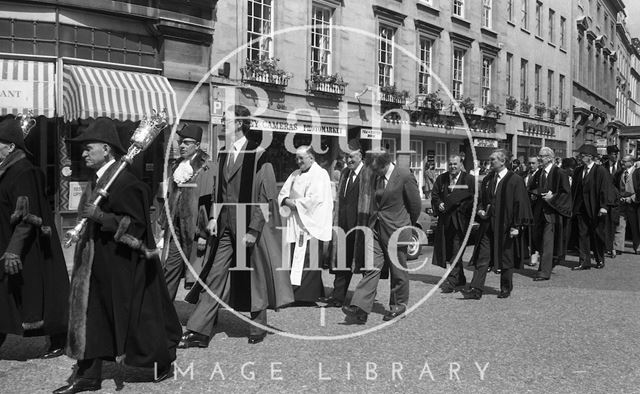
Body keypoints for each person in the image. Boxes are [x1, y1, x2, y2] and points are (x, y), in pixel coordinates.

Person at [57, 117, 181, 394]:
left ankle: (160, 362)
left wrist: (101, 216)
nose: (84, 153)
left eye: (89, 148)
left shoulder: (125, 182)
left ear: (107, 150)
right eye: (84, 149)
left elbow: (136, 225)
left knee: (138, 317)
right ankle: (88, 376)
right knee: (92, 316)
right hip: (94, 262)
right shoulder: (99, 179)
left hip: (121, 264)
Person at [183, 105, 293, 347]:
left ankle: (258, 326)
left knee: (254, 275)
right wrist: (213, 216)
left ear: (240, 123)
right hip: (224, 226)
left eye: (227, 119)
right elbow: (218, 191)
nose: (223, 122)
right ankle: (199, 331)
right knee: (215, 275)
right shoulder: (223, 153)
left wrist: (254, 230)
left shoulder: (259, 154)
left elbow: (266, 196)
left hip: (248, 225)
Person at [0, 118, 68, 358]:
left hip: (28, 247)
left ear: (10, 147)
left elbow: (27, 216)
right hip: (6, 239)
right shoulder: (5, 169)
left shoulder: (23, 171)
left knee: (40, 292)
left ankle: (59, 337)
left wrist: (14, 250)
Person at [342, 151, 421, 323]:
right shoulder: (376, 175)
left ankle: (398, 306)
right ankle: (360, 307)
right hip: (376, 227)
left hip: (397, 229)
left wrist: (406, 224)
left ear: (386, 164)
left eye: (377, 169)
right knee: (372, 266)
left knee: (398, 270)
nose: (374, 173)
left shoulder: (405, 175)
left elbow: (415, 205)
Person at [462, 149, 532, 300]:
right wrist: (480, 211)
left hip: (506, 225)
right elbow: (481, 200)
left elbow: (520, 203)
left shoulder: (515, 180)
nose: (490, 162)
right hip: (488, 225)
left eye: (493, 159)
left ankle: (505, 287)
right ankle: (476, 289)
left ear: (502, 161)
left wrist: (517, 226)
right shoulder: (488, 179)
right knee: (483, 256)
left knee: (506, 256)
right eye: (490, 159)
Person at [159, 124, 215, 300]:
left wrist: (203, 235)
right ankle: (164, 313)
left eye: (187, 142)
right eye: (180, 142)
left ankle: (204, 317)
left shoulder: (206, 167)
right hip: (176, 228)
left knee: (198, 274)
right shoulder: (176, 166)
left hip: (196, 231)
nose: (182, 145)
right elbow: (170, 197)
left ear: (197, 145)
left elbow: (208, 202)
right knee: (170, 268)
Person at [278, 145, 333, 304]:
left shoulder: (320, 174)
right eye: (296, 158)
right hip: (295, 223)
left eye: (301, 158)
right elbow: (283, 194)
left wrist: (292, 204)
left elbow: (314, 200)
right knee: (295, 258)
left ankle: (303, 296)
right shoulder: (295, 174)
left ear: (311, 157)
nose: (298, 161)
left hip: (311, 225)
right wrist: (287, 201)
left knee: (308, 260)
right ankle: (304, 291)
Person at [324, 144, 367, 307]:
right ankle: (338, 297)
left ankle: (364, 300)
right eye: (346, 157)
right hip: (343, 226)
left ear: (360, 156)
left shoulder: (368, 174)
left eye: (351, 157)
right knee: (341, 262)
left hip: (361, 227)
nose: (348, 160)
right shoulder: (344, 174)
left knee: (364, 265)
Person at [431, 155, 475, 293]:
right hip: (445, 222)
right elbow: (435, 195)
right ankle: (460, 278)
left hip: (461, 223)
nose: (452, 167)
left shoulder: (469, 180)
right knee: (449, 251)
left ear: (460, 164)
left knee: (457, 251)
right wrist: (439, 204)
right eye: (450, 164)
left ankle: (452, 280)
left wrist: (461, 206)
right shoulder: (441, 178)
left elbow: (474, 198)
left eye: (455, 164)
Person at [569, 144, 613, 270]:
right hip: (581, 209)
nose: (580, 157)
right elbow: (575, 190)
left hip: (595, 208)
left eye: (582, 155)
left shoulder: (600, 171)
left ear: (590, 157)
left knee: (597, 234)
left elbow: (605, 189)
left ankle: (599, 259)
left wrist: (604, 206)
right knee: (582, 235)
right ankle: (584, 261)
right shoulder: (578, 170)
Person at [531, 147, 572, 281]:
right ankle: (546, 265)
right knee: (539, 241)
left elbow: (566, 192)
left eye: (542, 156)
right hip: (539, 212)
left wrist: (553, 197)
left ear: (549, 158)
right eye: (539, 156)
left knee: (548, 242)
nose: (539, 159)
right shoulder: (539, 173)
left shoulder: (560, 173)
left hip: (552, 214)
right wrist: (533, 194)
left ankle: (544, 272)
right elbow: (532, 188)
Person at [615, 155, 640, 254]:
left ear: (631, 162)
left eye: (624, 161)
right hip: (622, 202)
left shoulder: (638, 173)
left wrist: (632, 198)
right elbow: (615, 185)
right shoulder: (619, 173)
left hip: (634, 203)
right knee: (620, 224)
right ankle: (618, 247)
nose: (622, 163)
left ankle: (637, 247)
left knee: (635, 226)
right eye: (622, 161)